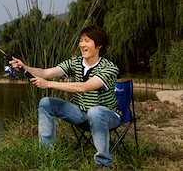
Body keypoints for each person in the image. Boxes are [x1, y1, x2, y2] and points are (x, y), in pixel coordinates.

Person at [9, 25, 120, 168]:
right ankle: (46, 154)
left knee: (95, 111)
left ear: (99, 45)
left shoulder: (109, 68)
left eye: (87, 41)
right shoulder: (74, 62)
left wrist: (48, 84)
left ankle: (103, 164)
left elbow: (84, 87)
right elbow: (44, 73)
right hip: (81, 114)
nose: (82, 45)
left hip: (107, 116)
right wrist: (24, 67)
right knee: (46, 102)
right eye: (80, 41)